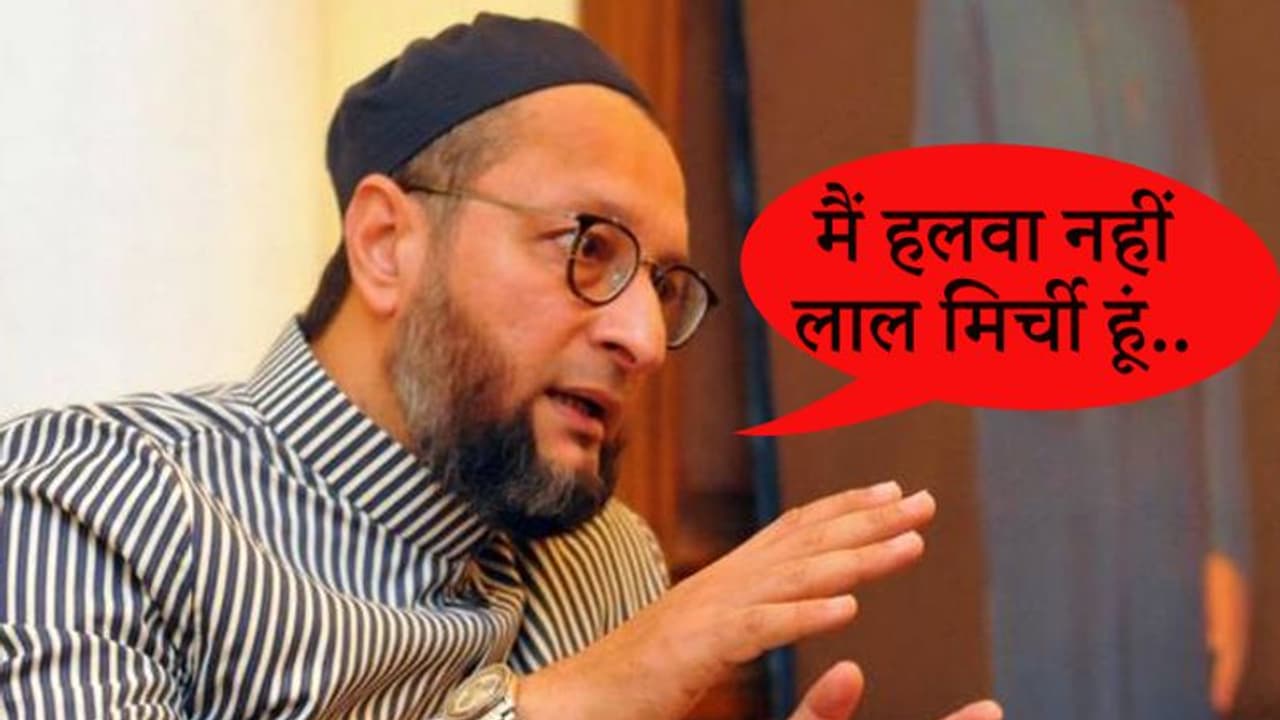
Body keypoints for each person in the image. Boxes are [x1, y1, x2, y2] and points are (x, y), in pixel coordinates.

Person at [0, 14, 999, 720]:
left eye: (663, 286)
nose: (645, 340)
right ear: (386, 243)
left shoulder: (606, 561)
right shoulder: (86, 505)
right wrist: (582, 698)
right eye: (589, 247)